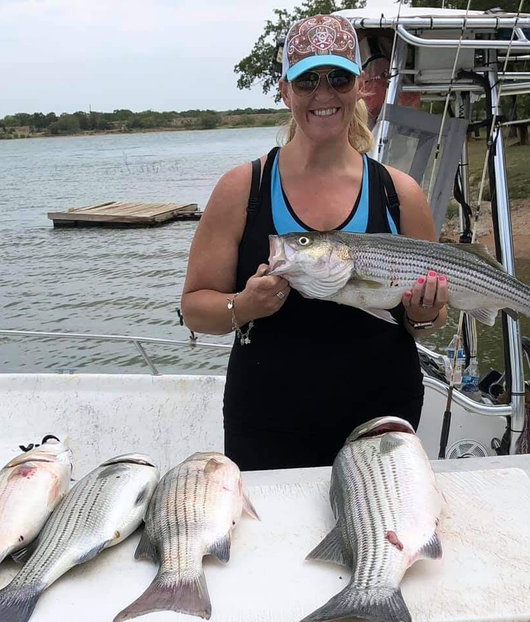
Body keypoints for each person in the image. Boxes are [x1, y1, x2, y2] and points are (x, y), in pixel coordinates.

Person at [181, 14, 449, 472]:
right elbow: (194, 308)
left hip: (381, 420)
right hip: (267, 423)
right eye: (306, 81)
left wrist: (424, 315)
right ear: (285, 91)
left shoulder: (399, 193)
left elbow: (429, 316)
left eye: (338, 78)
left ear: (360, 86)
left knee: (379, 541)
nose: (323, 95)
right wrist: (243, 306)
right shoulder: (241, 189)